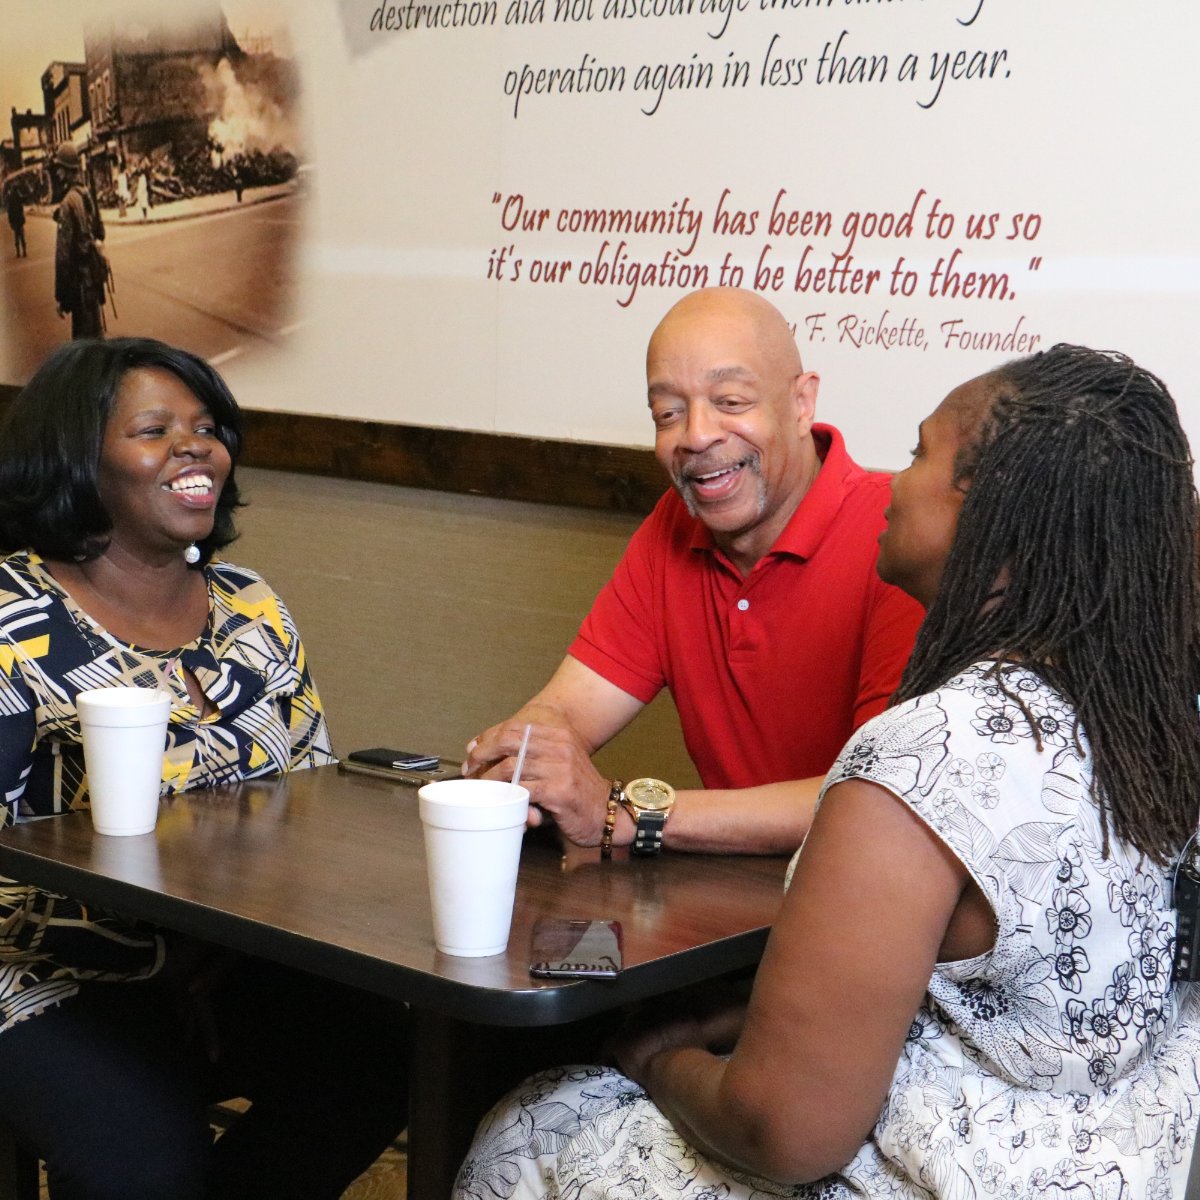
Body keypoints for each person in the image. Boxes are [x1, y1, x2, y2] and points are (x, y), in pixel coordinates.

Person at [455, 344, 1200, 1199]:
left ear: (988, 510)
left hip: (944, 1171)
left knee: (532, 1120)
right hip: (1106, 1155)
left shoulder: (922, 760)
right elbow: (969, 987)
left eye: (920, 455)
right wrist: (728, 1017)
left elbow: (784, 1132)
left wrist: (664, 1061)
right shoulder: (1140, 717)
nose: (895, 481)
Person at [0, 337, 408, 1200]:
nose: (198, 446)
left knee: (380, 1066)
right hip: (38, 966)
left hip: (220, 957)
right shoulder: (12, 621)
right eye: (156, 428)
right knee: (146, 1160)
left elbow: (312, 798)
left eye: (209, 426)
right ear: (77, 458)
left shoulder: (252, 607)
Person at [464, 287, 923, 856]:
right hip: (729, 907)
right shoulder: (673, 528)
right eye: (668, 414)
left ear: (802, 404)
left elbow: (884, 797)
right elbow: (566, 712)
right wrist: (522, 759)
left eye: (730, 402)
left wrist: (628, 811)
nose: (697, 436)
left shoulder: (901, 539)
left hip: (866, 900)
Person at [51, 142, 106, 338]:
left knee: (83, 350)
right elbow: (100, 232)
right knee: (97, 341)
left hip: (79, 287)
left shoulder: (68, 203)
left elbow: (63, 256)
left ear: (67, 171)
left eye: (60, 168)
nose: (57, 173)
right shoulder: (86, 195)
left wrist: (61, 297)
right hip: (93, 281)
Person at [5, 184, 26, 257]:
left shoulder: (10, 199)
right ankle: (24, 252)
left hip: (14, 221)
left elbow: (9, 211)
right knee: (22, 236)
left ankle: (18, 253)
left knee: (16, 236)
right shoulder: (18, 197)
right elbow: (24, 199)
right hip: (19, 220)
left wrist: (10, 221)